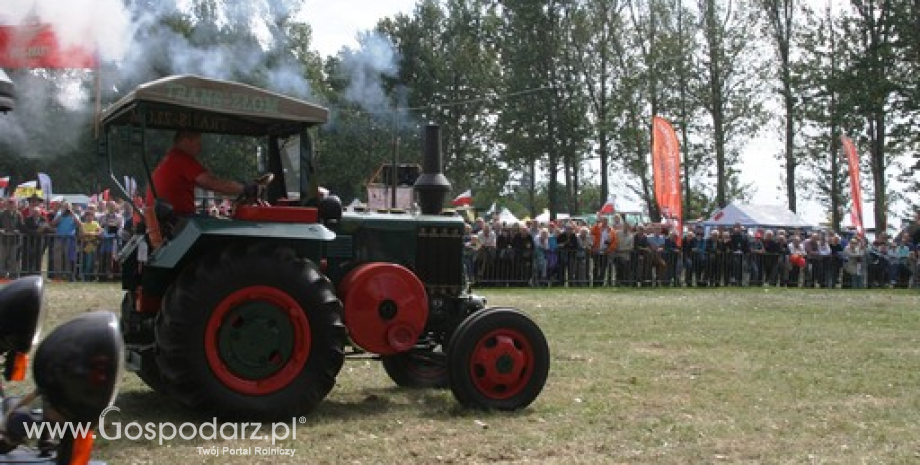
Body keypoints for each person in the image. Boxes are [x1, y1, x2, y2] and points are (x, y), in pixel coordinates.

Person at [147, 131, 253, 216]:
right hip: (177, 219)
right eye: (198, 144)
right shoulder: (182, 159)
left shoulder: (171, 158)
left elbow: (210, 185)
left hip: (166, 219)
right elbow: (212, 183)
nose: (200, 148)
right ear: (185, 141)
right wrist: (244, 188)